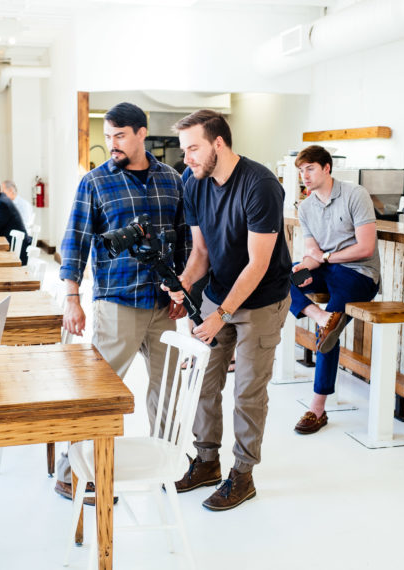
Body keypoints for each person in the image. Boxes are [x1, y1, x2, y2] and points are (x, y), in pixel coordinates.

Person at [55, 102, 190, 501]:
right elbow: (74, 242)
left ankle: (166, 464)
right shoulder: (95, 182)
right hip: (118, 301)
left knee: (167, 389)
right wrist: (72, 298)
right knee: (100, 390)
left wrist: (183, 288)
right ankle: (72, 471)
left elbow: (183, 239)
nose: (111, 143)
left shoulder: (172, 179)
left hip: (164, 304)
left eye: (119, 136)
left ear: (141, 133)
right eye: (107, 136)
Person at [168, 110, 291, 511]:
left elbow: (257, 265)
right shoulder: (194, 182)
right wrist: (184, 285)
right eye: (185, 149)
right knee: (203, 383)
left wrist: (219, 315)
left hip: (262, 301)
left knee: (247, 392)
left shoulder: (261, 186)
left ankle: (243, 474)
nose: (186, 158)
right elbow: (201, 252)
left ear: (218, 143)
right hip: (218, 293)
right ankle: (206, 462)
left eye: (193, 148)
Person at [290, 145, 381, 435]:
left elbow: (366, 247)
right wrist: (303, 269)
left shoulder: (355, 195)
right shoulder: (305, 207)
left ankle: (317, 409)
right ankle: (319, 316)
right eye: (301, 170)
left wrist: (325, 258)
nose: (304, 175)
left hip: (360, 274)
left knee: (328, 332)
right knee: (277, 276)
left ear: (327, 168)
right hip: (326, 269)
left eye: (310, 169)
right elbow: (312, 252)